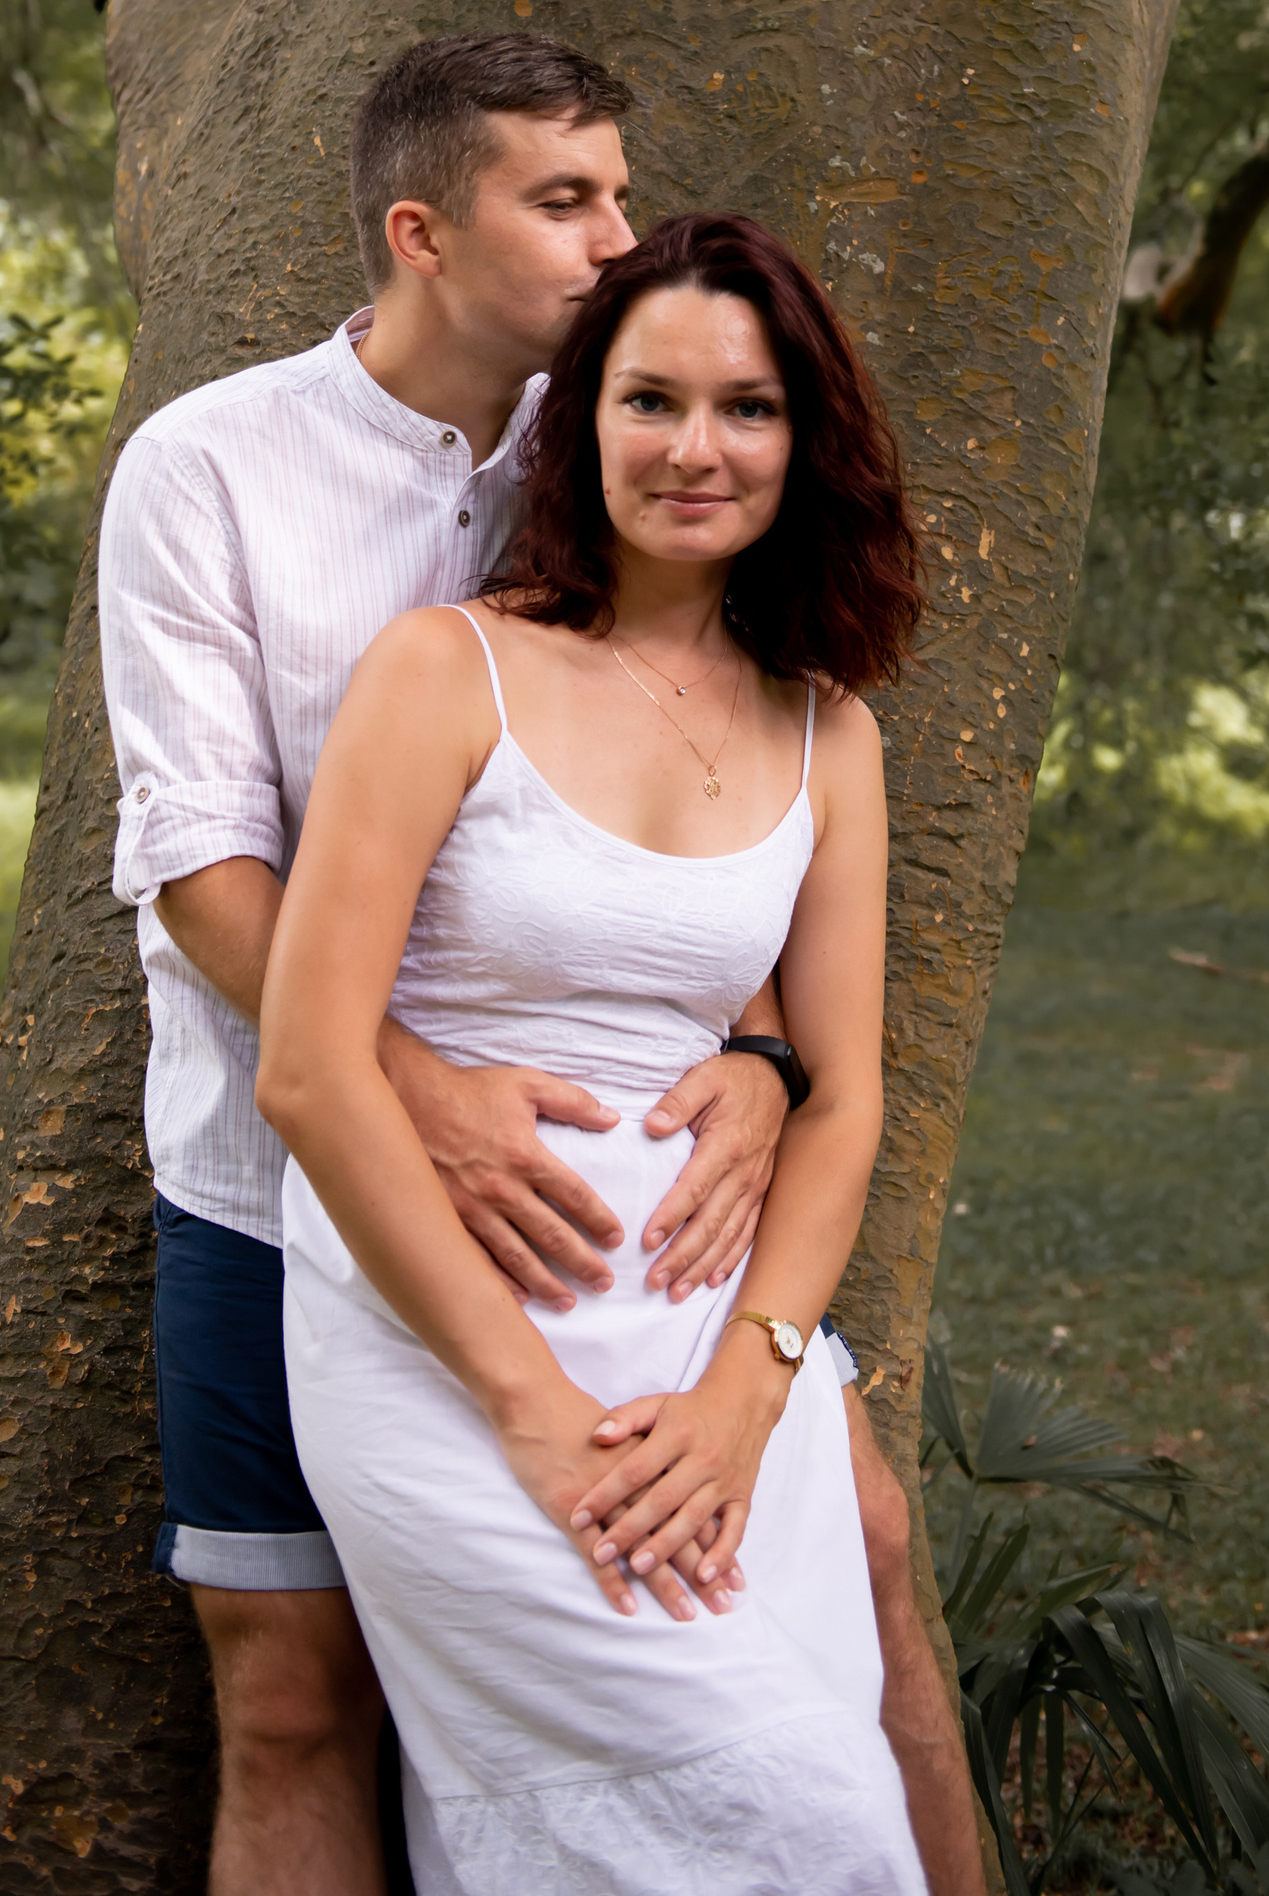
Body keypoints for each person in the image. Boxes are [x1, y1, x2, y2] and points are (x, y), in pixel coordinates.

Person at [100, 36, 981, 1894]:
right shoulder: (215, 467)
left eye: (622, 194)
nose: (617, 238)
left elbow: (678, 834)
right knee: (289, 1689)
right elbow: (195, 862)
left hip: (650, 1242)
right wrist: (408, 1089)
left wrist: (765, 1062)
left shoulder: (606, 452)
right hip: (274, 1174)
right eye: (566, 200)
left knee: (860, 1565)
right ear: (423, 233)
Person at [258, 212, 932, 1893]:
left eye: (749, 408)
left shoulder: (829, 733)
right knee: (791, 1813)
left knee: (818, 1769)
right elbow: (312, 1068)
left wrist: (747, 1394)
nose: (698, 449)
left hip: (719, 1347)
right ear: (582, 422)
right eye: (652, 401)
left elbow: (844, 1096)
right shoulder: (449, 670)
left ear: (809, 439)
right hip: (448, 1339)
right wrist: (531, 1405)